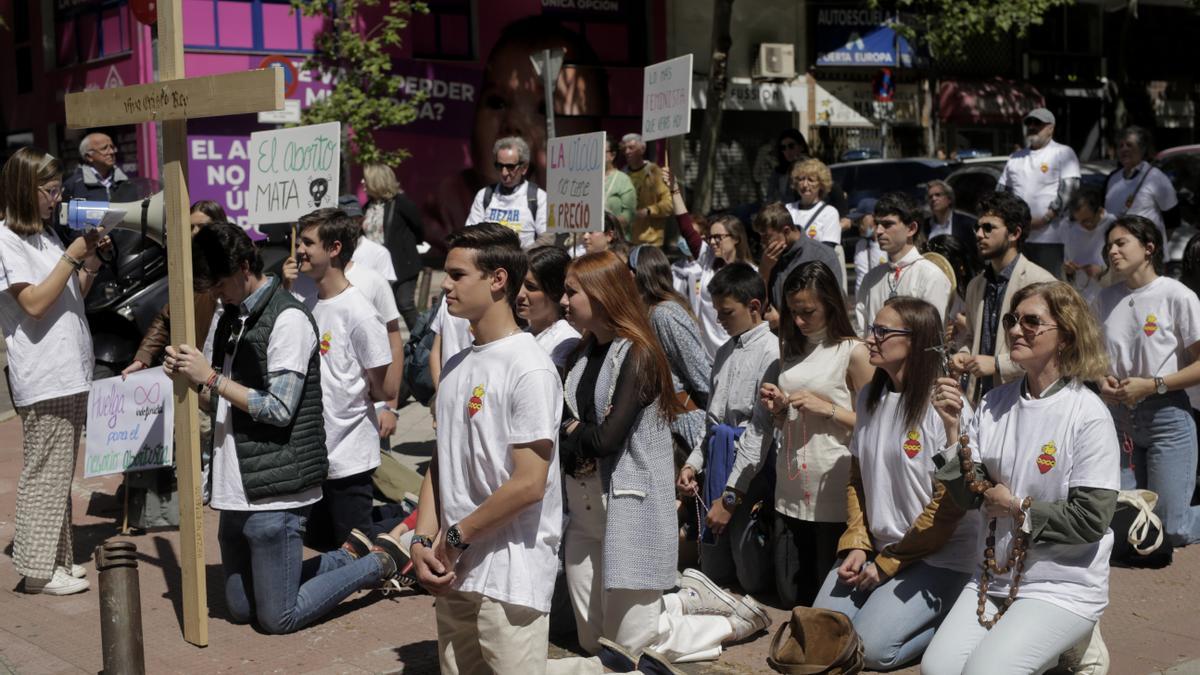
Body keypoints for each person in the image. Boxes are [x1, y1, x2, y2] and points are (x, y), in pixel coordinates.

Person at [163, 222, 406, 634]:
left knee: (278, 617)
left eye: (221, 284)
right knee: (240, 609)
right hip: (235, 488)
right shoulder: (231, 316)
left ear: (243, 267)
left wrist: (209, 378)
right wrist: (190, 377)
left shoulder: (288, 318)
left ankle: (375, 563)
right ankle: (347, 555)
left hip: (275, 491)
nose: (217, 294)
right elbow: (221, 399)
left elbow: (278, 407)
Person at [557, 251, 769, 667]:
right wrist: (579, 432)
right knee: (590, 642)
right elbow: (566, 428)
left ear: (600, 295)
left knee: (628, 651)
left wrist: (576, 433)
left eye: (570, 292)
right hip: (584, 512)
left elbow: (607, 439)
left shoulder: (638, 354)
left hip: (627, 509)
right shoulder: (579, 356)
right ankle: (680, 603)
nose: (564, 301)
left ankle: (732, 621)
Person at [925, 281, 1119, 675]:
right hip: (994, 578)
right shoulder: (995, 403)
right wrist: (951, 431)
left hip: (1063, 585)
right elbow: (971, 496)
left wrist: (1015, 507)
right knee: (938, 670)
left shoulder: (1088, 414)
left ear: (1065, 336)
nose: (1015, 329)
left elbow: (1091, 519)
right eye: (1013, 320)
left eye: (1031, 322)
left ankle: (1074, 642)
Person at [408, 223, 563, 673]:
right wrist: (422, 538)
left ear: (497, 280)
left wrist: (455, 537)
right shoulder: (456, 364)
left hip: (510, 575)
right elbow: (443, 462)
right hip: (454, 569)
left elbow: (530, 484)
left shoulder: (529, 368)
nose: (445, 286)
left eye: (457, 275)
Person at [812, 296, 979, 671]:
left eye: (882, 331)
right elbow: (857, 478)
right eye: (872, 328)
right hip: (880, 551)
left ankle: (953, 622)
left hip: (940, 557)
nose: (870, 338)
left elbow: (949, 506)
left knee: (869, 651)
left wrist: (889, 563)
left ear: (916, 342)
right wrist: (856, 543)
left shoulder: (946, 408)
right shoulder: (871, 394)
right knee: (824, 633)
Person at [0, 147, 107, 595]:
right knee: (46, 471)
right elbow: (35, 305)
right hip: (44, 375)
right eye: (49, 190)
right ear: (27, 190)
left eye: (58, 189)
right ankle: (37, 572)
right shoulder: (7, 239)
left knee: (59, 471)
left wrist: (90, 262)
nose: (57, 198)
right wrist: (72, 256)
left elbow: (71, 293)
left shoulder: (44, 237)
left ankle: (59, 559)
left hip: (67, 370)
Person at [758, 261, 874, 608]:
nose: (798, 321)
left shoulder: (854, 352)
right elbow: (789, 419)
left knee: (826, 602)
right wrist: (780, 408)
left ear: (831, 305)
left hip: (834, 486)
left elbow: (879, 426)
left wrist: (830, 410)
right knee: (790, 595)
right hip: (790, 482)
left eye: (808, 311)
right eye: (793, 311)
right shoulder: (792, 349)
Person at [292, 208, 394, 548]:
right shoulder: (306, 302)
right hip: (315, 456)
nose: (299, 250)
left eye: (308, 242)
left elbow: (383, 384)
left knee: (354, 553)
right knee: (321, 543)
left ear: (334, 248)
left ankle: (406, 529)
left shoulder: (361, 312)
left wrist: (381, 405)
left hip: (349, 456)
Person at [1096, 215, 1200, 546]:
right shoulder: (1104, 298)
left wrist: (1152, 384)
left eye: (1121, 242)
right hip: (1119, 419)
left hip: (1167, 416)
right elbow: (1093, 358)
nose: (1112, 251)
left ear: (1149, 248)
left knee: (1170, 530)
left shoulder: (1177, 296)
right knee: (1124, 525)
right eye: (1109, 245)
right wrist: (1101, 381)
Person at [676, 263, 777, 594]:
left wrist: (731, 497)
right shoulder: (724, 351)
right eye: (717, 311)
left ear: (754, 307)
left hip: (752, 475)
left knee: (751, 575)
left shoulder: (772, 352)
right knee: (717, 569)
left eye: (726, 311)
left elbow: (760, 432)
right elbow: (712, 422)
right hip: (717, 469)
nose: (719, 319)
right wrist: (693, 463)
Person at [952, 192, 1055, 403]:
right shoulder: (976, 285)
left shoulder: (1042, 282)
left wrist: (998, 364)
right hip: (981, 399)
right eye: (977, 227)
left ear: (1014, 233)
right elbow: (972, 336)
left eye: (989, 227)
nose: (979, 234)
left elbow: (1049, 349)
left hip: (1026, 397)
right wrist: (964, 353)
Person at [630, 245, 712, 460]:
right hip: (666, 424)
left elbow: (701, 375)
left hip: (685, 426)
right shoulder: (649, 312)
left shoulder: (665, 314)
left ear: (638, 275)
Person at [664, 167, 755, 358]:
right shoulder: (708, 259)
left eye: (718, 238)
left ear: (736, 238)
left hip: (738, 351)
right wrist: (674, 191)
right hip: (707, 354)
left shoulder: (750, 272)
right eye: (710, 237)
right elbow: (686, 227)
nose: (712, 242)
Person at [996, 107, 1081, 278]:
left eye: (1038, 123)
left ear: (1051, 128)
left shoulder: (1063, 152)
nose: (1032, 126)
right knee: (1019, 287)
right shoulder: (1015, 158)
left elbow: (1070, 190)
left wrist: (1045, 218)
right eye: (1030, 123)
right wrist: (1012, 221)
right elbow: (1001, 193)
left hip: (1050, 238)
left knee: (1049, 289)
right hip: (1018, 238)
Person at [854, 192, 953, 338]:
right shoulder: (871, 278)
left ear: (911, 228)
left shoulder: (931, 276)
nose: (879, 231)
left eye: (887, 224)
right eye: (877, 224)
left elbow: (931, 339)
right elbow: (862, 331)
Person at [362, 162, 425, 330]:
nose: (362, 182)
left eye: (366, 179)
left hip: (402, 265)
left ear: (377, 181)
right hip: (375, 268)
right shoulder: (368, 207)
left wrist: (407, 247)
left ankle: (422, 341)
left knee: (405, 304)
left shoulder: (400, 203)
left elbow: (418, 227)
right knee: (380, 310)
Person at [756, 201, 843, 312]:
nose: (762, 242)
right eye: (760, 236)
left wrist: (782, 321)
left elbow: (833, 305)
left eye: (766, 236)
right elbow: (759, 305)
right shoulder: (768, 258)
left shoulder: (822, 255)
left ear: (786, 231)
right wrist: (764, 271)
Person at [465, 136, 550, 250]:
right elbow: (470, 234)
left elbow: (547, 239)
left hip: (522, 264)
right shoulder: (484, 195)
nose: (504, 173)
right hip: (489, 263)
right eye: (500, 166)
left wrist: (517, 258)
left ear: (524, 168)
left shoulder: (539, 197)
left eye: (510, 167)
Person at [1104, 126, 1179, 239]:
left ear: (1142, 149)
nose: (1124, 149)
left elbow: (1172, 219)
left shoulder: (1156, 177)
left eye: (1129, 145)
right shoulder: (1112, 179)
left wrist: (1155, 248)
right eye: (1121, 146)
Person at [518, 245, 580, 370]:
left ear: (554, 291)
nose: (519, 294)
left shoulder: (565, 341)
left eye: (531, 287)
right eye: (518, 284)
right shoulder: (521, 334)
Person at [1062, 186, 1114, 302]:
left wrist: (1102, 271)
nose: (1083, 225)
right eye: (1079, 221)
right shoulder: (1070, 227)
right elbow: (1067, 260)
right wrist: (1069, 269)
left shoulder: (1113, 225)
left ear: (1099, 211)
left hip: (1106, 292)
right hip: (1080, 293)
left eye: (1087, 220)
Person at [622, 133, 673, 247]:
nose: (627, 152)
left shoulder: (655, 173)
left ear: (642, 149)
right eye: (625, 148)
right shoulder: (622, 175)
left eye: (631, 148)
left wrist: (648, 211)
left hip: (651, 242)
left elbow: (669, 204)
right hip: (627, 241)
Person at [61, 132, 140, 203]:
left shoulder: (126, 182)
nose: (112, 152)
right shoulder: (73, 186)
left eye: (112, 147)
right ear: (89, 157)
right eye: (104, 148)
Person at [785, 158, 842, 253]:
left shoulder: (830, 213)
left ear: (821, 184)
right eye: (801, 179)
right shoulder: (787, 209)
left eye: (811, 180)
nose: (805, 185)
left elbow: (827, 249)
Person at [337, 195, 398, 283]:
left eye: (354, 220)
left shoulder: (380, 254)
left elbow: (386, 291)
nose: (349, 225)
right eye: (344, 220)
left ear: (362, 220)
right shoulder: (328, 252)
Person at [924, 180, 979, 257]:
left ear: (949, 199)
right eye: (930, 197)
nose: (933, 199)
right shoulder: (925, 226)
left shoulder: (966, 224)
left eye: (938, 195)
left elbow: (973, 253)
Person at [604, 137, 636, 233]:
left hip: (615, 239)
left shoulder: (623, 180)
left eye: (601, 151)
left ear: (612, 155)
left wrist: (607, 226)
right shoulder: (590, 179)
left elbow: (629, 215)